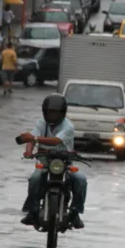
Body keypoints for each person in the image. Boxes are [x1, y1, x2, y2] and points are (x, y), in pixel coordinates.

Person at [19, 93, 87, 229]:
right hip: (45, 161)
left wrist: (35, 139)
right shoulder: (41, 123)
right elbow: (31, 138)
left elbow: (55, 141)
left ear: (62, 113)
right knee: (35, 178)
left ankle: (75, 212)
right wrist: (29, 151)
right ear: (44, 112)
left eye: (55, 113)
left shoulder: (69, 126)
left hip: (64, 162)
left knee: (80, 179)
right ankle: (32, 210)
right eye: (50, 112)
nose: (52, 115)